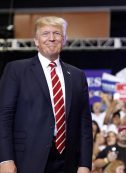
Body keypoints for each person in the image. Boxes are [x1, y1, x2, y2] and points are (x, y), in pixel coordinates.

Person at [0, 16, 93, 173]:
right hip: (26, 159)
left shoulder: (77, 76)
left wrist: (84, 164)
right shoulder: (16, 70)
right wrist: (5, 159)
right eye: (45, 33)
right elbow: (4, 116)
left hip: (68, 161)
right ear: (36, 40)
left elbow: (84, 124)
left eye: (57, 33)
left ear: (64, 40)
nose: (51, 38)